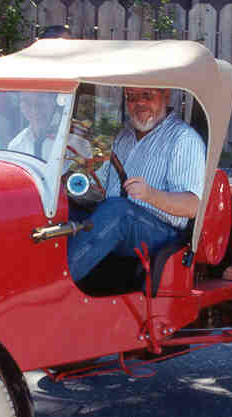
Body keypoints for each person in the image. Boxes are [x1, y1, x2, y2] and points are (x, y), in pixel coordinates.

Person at [67, 87, 206, 282]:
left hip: (163, 233)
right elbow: (103, 183)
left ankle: (57, 282)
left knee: (119, 211)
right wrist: (77, 183)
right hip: (119, 219)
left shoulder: (184, 139)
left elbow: (192, 206)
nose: (139, 103)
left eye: (147, 95)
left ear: (165, 95)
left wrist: (150, 194)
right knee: (67, 210)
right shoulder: (124, 135)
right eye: (132, 97)